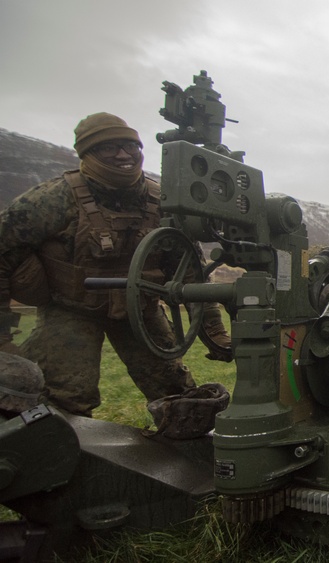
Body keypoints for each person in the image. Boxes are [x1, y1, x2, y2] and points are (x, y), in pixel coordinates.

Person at [0, 112, 231, 417]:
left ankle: (188, 455)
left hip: (140, 312)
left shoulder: (162, 202)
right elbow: (3, 255)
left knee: (178, 395)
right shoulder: (51, 200)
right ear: (87, 153)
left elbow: (190, 270)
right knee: (63, 401)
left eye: (130, 146)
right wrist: (3, 338)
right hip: (70, 310)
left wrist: (213, 331)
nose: (123, 155)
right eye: (108, 148)